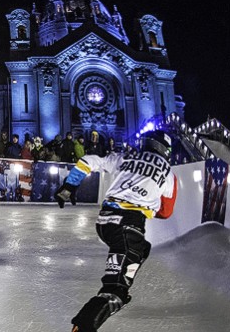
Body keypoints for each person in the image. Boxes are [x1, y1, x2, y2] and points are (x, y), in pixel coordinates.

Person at [54, 130, 178, 331]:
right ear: (166, 150)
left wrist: (69, 185)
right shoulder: (169, 175)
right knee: (115, 293)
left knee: (142, 248)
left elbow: (88, 160)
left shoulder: (126, 156)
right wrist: (148, 200)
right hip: (129, 225)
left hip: (105, 223)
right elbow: (166, 212)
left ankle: (122, 271)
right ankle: (88, 321)